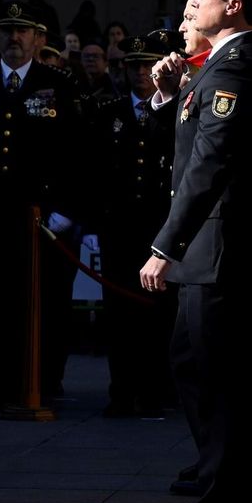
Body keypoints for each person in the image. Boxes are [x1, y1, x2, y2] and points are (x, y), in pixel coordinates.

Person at [139, 0, 252, 503]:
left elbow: (209, 165)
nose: (192, 3)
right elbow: (189, 149)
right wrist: (171, 95)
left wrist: (163, 248)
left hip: (221, 251)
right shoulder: (219, 65)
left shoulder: (241, 64)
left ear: (233, 6)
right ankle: (240, 493)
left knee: (215, 382)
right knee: (200, 370)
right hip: (213, 250)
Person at [0, 2, 85, 412]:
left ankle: (34, 383)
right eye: (7, 30)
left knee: (33, 303)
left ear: (37, 38)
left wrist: (66, 207)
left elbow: (74, 153)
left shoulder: (57, 84)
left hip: (37, 216)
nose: (14, 38)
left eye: (22, 31)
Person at [90, 31, 180, 417]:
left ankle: (155, 391)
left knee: (159, 315)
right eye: (134, 66)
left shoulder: (175, 111)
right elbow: (92, 172)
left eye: (147, 65)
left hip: (160, 229)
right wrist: (93, 224)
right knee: (120, 315)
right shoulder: (107, 113)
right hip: (119, 228)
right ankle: (121, 391)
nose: (142, 72)